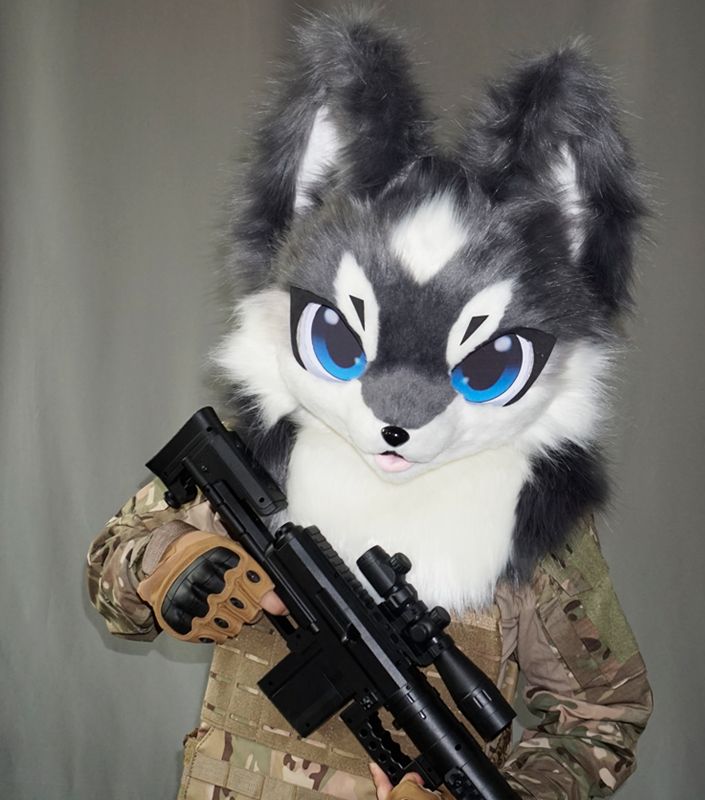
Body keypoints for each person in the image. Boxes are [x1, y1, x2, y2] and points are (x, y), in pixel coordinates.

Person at [87, 12, 652, 800]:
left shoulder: (533, 519)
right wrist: (168, 566)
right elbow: (114, 570)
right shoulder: (261, 458)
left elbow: (604, 712)